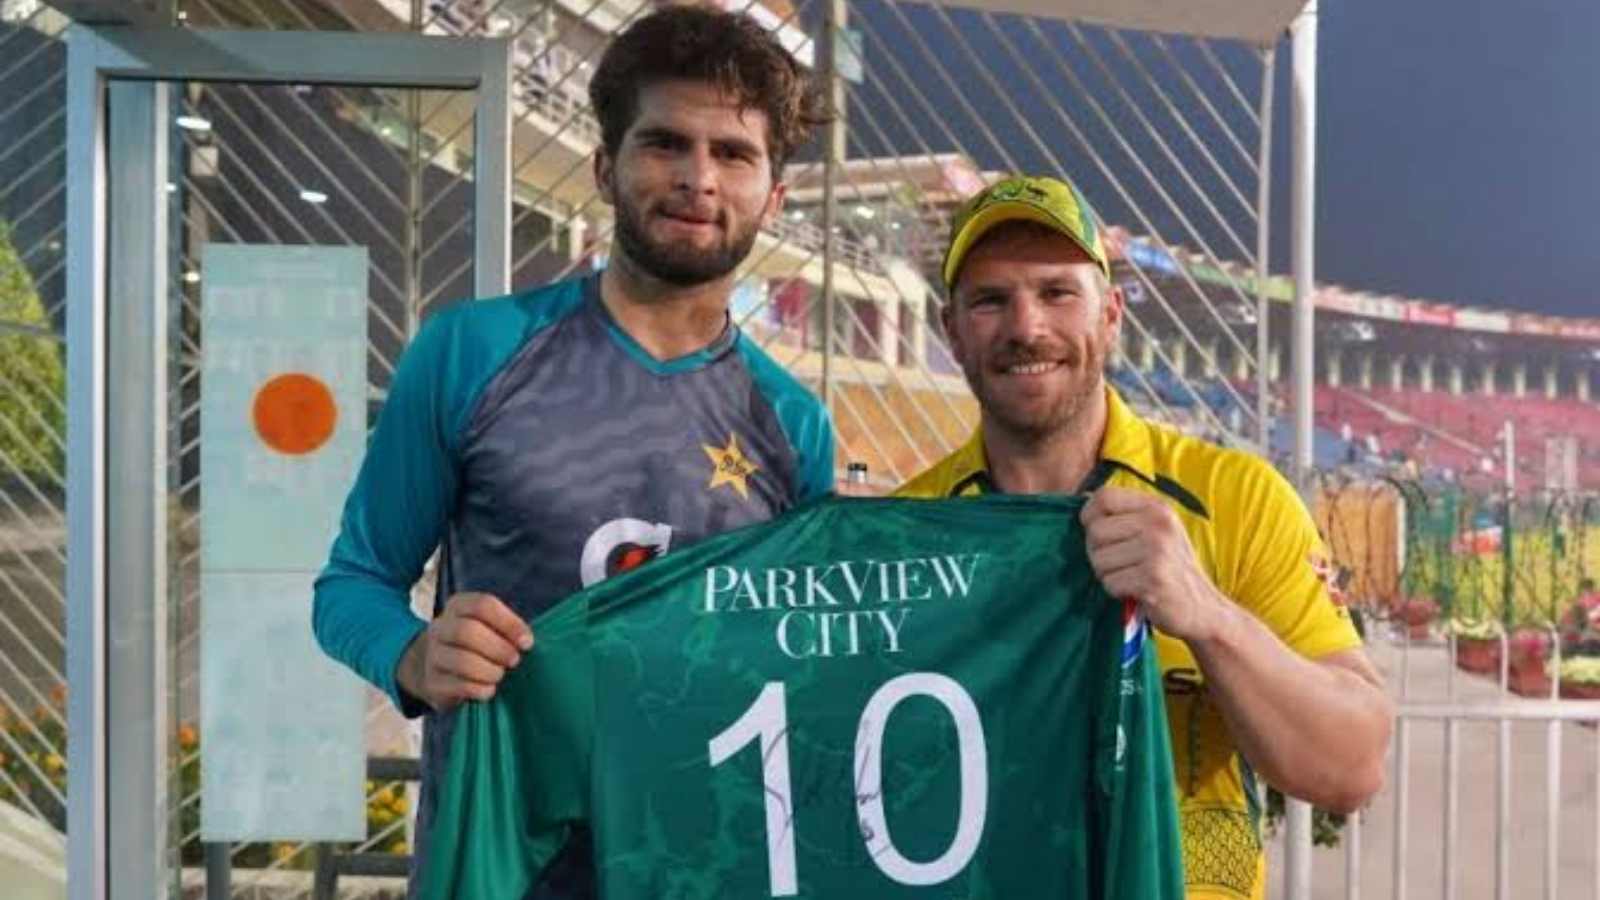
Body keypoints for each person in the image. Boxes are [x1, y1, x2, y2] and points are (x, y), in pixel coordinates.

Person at [311, 7, 833, 895]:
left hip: (709, 869)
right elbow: (351, 585)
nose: (698, 179)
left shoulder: (796, 424)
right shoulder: (468, 353)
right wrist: (411, 655)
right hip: (501, 870)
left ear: (774, 197)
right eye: (665, 143)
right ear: (605, 168)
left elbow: (807, 666)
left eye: (734, 154)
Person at [895, 174, 1394, 899]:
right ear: (951, 332)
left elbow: (1352, 767)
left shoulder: (1237, 499)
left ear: (1111, 315)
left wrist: (1209, 617)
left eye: (1057, 292)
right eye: (991, 299)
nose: (1026, 327)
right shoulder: (907, 529)